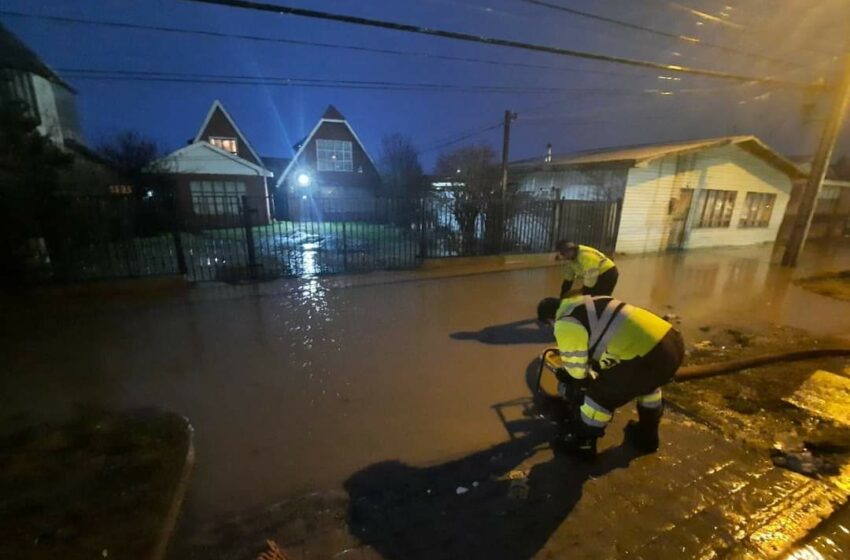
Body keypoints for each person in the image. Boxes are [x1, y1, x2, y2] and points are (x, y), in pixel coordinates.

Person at [536, 295, 685, 460]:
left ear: (550, 318)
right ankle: (647, 437)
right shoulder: (587, 302)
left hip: (646, 355)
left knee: (598, 395)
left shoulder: (565, 323)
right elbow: (610, 336)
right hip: (671, 342)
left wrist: (569, 376)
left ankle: (582, 444)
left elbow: (577, 372)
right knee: (647, 385)